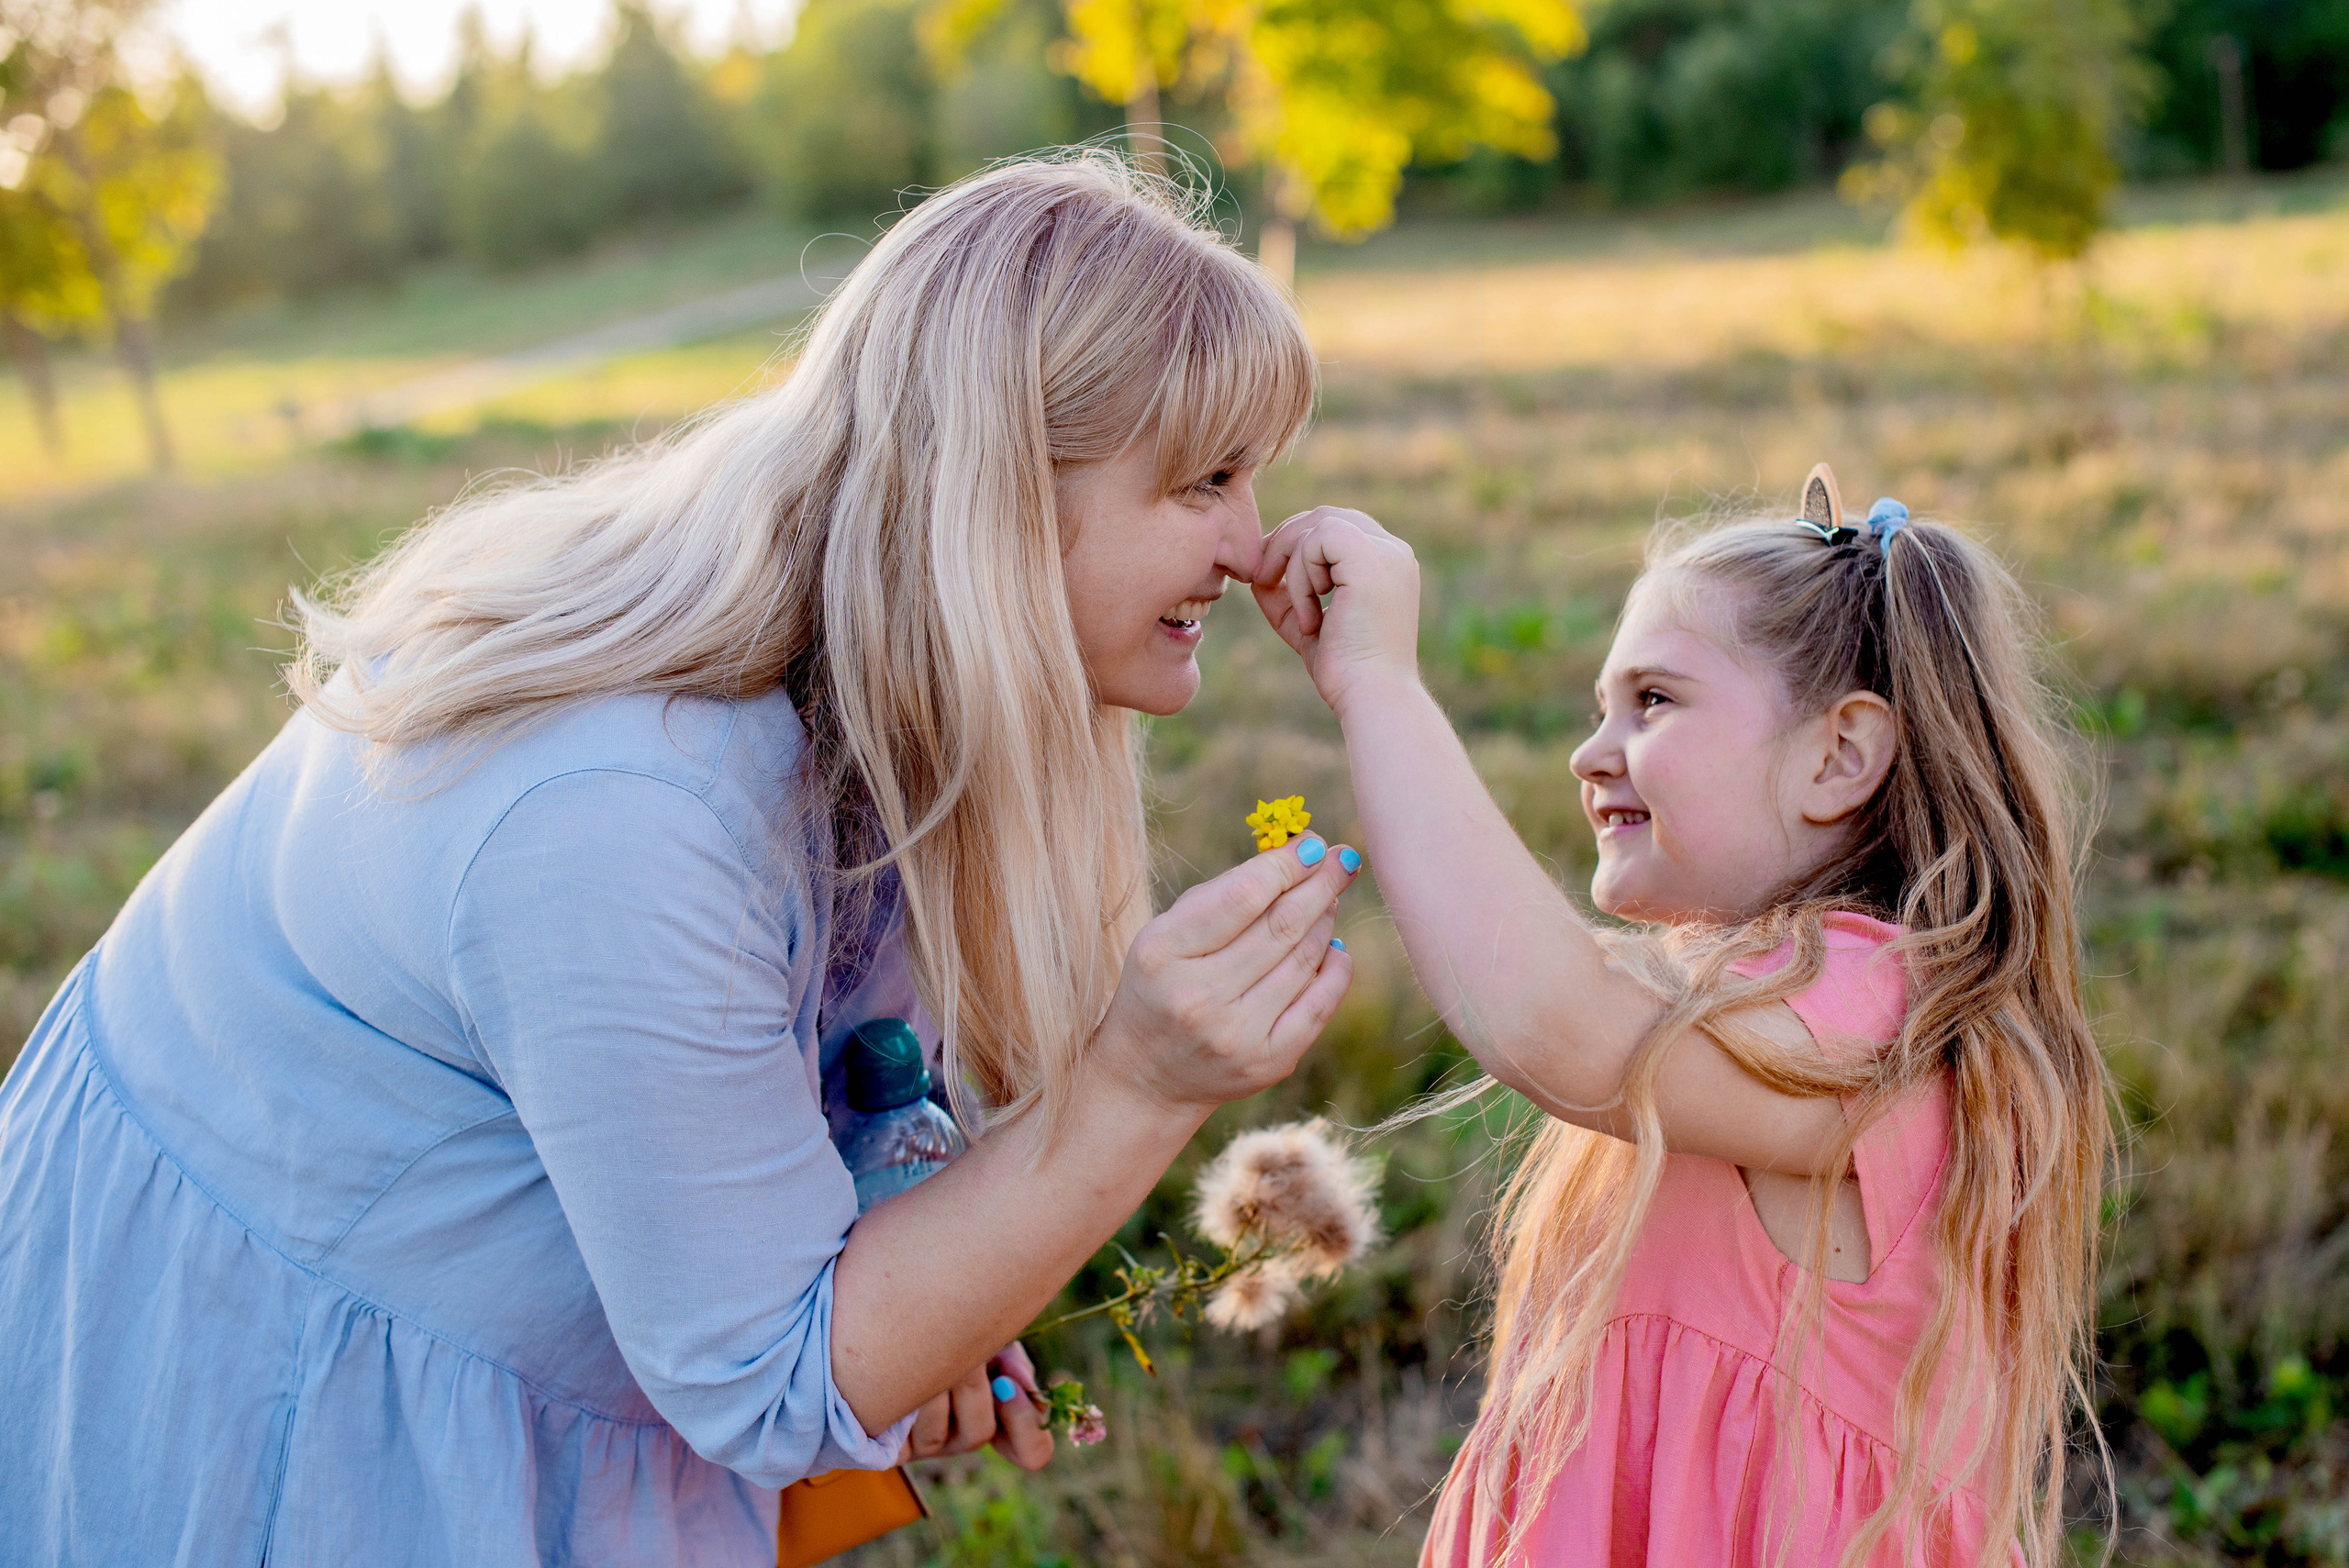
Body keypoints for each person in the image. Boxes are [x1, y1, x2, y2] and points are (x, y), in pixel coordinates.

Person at [0, 153, 1364, 1566]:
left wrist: (919, 1232)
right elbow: (772, 1377)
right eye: (1203, 481)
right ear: (1005, 493)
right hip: (279, 1387)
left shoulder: (876, 666)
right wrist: (1136, 1084)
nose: (1249, 544)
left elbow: (827, 1069)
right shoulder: (622, 807)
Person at [1253, 470, 2112, 1565]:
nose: (1590, 751)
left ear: (1840, 755)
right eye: (1600, 704)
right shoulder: (1721, 985)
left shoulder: (1881, 1014)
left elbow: (1549, 1019)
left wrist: (1375, 680)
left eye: (1652, 700)